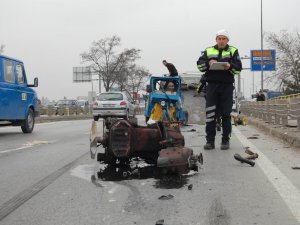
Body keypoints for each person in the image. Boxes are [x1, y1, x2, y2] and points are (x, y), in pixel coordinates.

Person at [196, 29, 242, 150]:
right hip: (211, 86)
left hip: (226, 86)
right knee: (210, 114)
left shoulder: (233, 50)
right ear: (216, 39)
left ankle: (225, 140)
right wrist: (208, 63)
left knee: (226, 114)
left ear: (227, 40)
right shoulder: (208, 50)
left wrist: (229, 66)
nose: (221, 41)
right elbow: (200, 65)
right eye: (219, 38)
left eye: (224, 39)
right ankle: (210, 141)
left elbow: (238, 68)